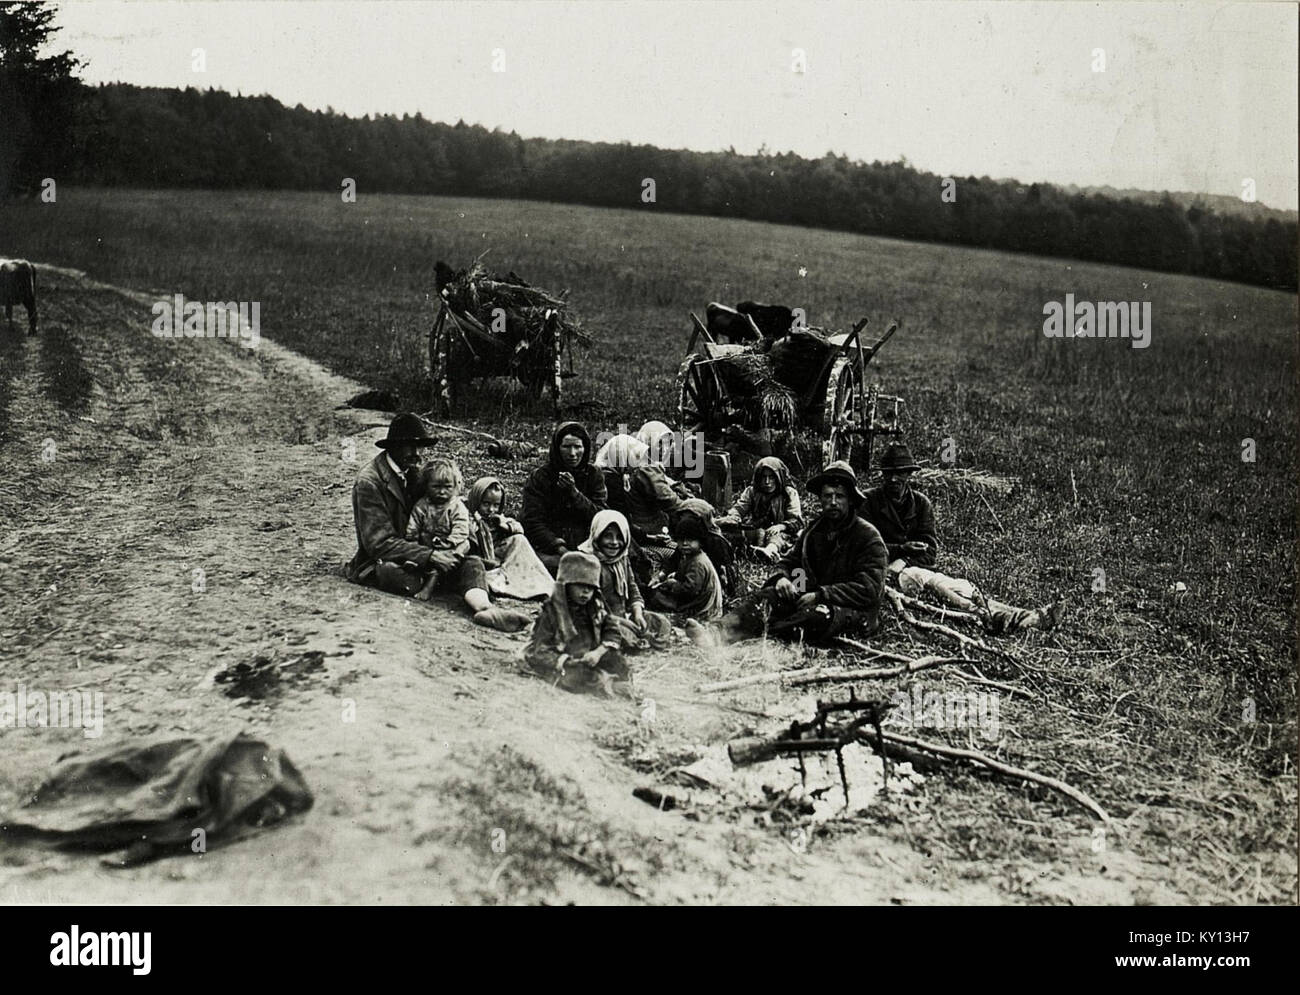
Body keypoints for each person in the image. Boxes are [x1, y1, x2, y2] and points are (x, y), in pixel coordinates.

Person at [861, 441, 1059, 635]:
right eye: (889, 473)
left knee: (960, 587)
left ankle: (1024, 617)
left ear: (909, 474)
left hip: (916, 570)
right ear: (883, 474)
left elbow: (929, 552)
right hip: (884, 574)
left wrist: (903, 559)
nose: (894, 479)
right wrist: (902, 550)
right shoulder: (868, 501)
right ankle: (988, 616)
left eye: (900, 473)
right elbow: (865, 547)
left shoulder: (921, 504)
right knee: (929, 581)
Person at [692, 461, 888, 645]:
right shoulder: (815, 531)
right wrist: (783, 579)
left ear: (851, 500)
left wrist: (821, 594)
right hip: (809, 595)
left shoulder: (868, 536)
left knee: (815, 616)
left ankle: (764, 633)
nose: (833, 502)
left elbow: (868, 589)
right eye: (828, 496)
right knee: (767, 597)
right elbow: (791, 562)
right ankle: (716, 633)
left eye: (840, 496)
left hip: (849, 610)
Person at [404, 458, 531, 632]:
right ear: (426, 486)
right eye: (436, 487)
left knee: (473, 564)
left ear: (455, 487)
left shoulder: (457, 507)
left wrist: (448, 544)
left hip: (451, 553)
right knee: (412, 565)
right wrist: (416, 545)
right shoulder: (421, 506)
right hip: (427, 553)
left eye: (447, 487)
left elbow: (461, 531)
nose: (442, 492)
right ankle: (425, 580)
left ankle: (485, 608)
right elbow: (412, 528)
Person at [345, 412, 440, 596]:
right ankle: (437, 578)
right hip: (383, 558)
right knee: (393, 574)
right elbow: (379, 544)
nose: (417, 453)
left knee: (469, 561)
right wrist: (430, 556)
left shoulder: (413, 471)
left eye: (420, 447)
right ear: (394, 446)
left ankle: (483, 603)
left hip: (417, 548)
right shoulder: (370, 482)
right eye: (410, 446)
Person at [523, 551, 631, 696]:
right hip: (563, 656)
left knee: (619, 662)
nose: (586, 592)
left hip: (591, 654)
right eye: (580, 585)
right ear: (566, 585)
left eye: (590, 587)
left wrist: (598, 653)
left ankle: (610, 683)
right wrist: (568, 661)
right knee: (576, 676)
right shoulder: (552, 612)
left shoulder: (596, 607)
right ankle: (605, 685)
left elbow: (612, 630)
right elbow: (541, 651)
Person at [520, 421, 608, 574]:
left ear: (585, 448)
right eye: (566, 447)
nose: (573, 453)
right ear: (557, 448)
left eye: (578, 447)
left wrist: (574, 494)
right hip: (550, 547)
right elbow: (532, 521)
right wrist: (559, 547)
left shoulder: (593, 475)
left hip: (586, 544)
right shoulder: (540, 477)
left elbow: (600, 516)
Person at [578, 510, 673, 650]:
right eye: (608, 536)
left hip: (623, 616)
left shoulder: (622, 558)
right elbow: (588, 608)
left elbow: (632, 586)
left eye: (619, 537)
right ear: (596, 536)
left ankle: (644, 640)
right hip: (600, 621)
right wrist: (620, 621)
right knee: (621, 635)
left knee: (661, 622)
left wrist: (637, 612)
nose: (614, 542)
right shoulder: (587, 562)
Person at [463, 476, 553, 600]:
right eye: (486, 504)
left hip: (500, 557)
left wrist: (504, 526)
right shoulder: (467, 517)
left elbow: (518, 528)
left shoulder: (497, 518)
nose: (491, 509)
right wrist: (477, 526)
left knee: (518, 540)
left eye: (496, 505)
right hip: (480, 558)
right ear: (476, 500)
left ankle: (537, 583)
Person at [717, 456, 803, 563]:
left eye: (771, 477)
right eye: (764, 477)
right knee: (738, 534)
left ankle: (769, 552)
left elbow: (796, 520)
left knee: (777, 539)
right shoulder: (752, 492)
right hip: (758, 530)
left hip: (781, 533)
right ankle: (749, 550)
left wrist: (780, 526)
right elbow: (740, 508)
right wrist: (734, 516)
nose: (767, 482)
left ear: (778, 477)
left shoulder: (789, 493)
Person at [645, 515, 724, 621]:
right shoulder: (688, 556)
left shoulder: (698, 562)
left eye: (690, 540)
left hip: (700, 606)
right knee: (656, 595)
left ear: (700, 542)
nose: (685, 543)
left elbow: (691, 590)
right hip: (694, 598)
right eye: (681, 540)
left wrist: (673, 584)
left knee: (656, 598)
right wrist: (672, 576)